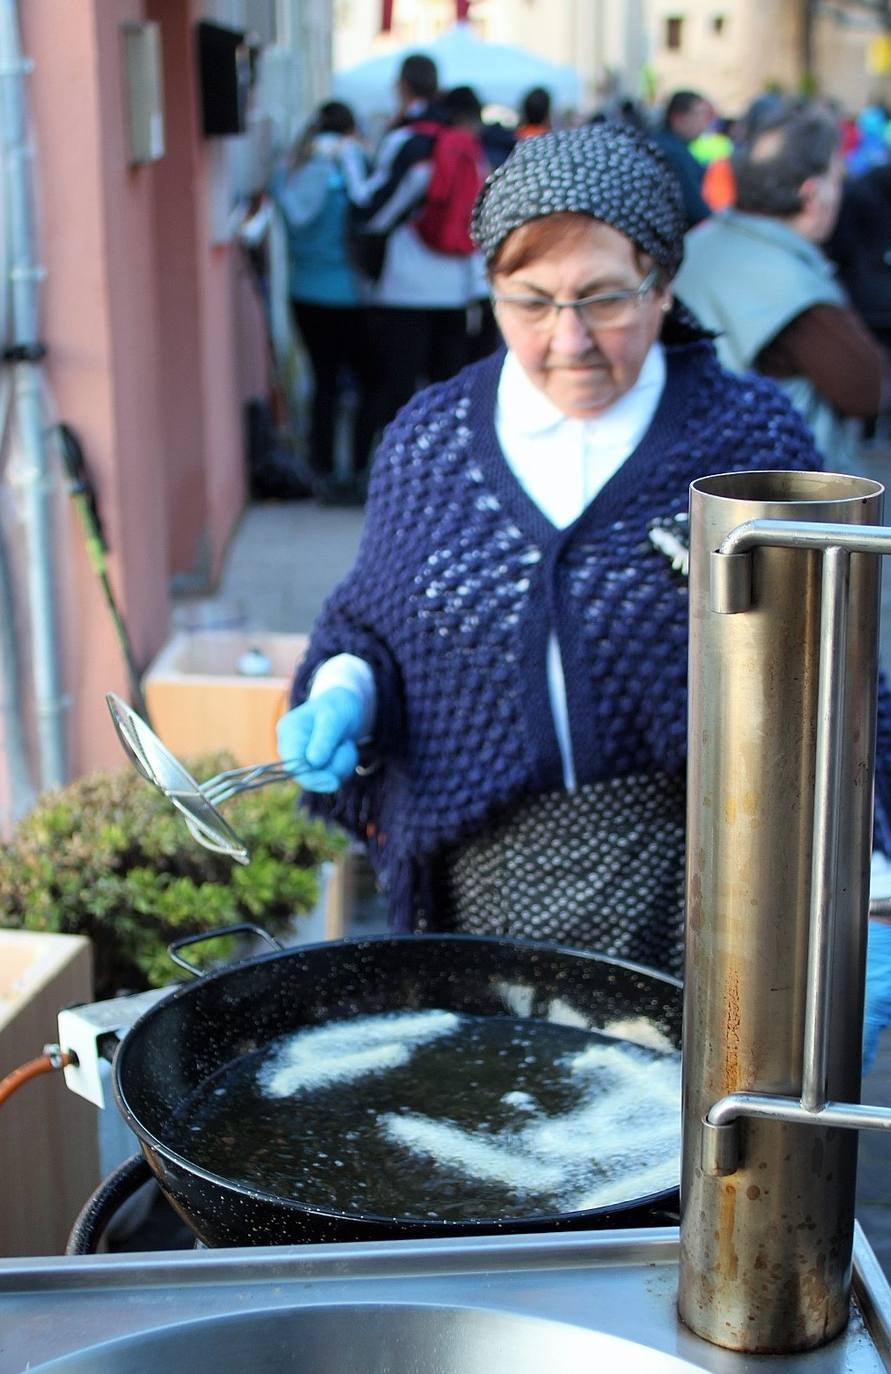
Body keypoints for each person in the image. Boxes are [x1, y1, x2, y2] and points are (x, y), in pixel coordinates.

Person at [271, 121, 891, 990]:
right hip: (482, 904)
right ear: (488, 288)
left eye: (605, 299)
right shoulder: (431, 440)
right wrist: (342, 694)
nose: (568, 340)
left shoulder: (748, 440)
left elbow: (832, 674)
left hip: (709, 896)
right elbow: (373, 628)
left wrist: (864, 882)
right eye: (529, 301)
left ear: (663, 285)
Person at [674, 99, 886, 472]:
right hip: (776, 499)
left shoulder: (697, 244)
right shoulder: (795, 289)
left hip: (703, 473)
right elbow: (867, 390)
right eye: (836, 178)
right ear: (811, 195)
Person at [341, 54, 486, 433]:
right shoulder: (462, 140)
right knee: (451, 395)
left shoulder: (407, 140)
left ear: (401, 87)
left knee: (400, 393)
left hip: (406, 285)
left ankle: (403, 477)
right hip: (456, 284)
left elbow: (371, 210)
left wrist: (349, 162)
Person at [270, 100, 375, 499]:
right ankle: (352, 468)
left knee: (324, 381)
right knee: (367, 381)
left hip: (303, 292)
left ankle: (322, 465)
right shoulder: (340, 173)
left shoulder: (292, 172)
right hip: (344, 294)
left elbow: (287, 211)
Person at [652, 90, 713, 229]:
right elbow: (696, 209)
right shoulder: (674, 153)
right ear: (678, 118)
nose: (704, 123)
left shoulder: (668, 145)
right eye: (699, 115)